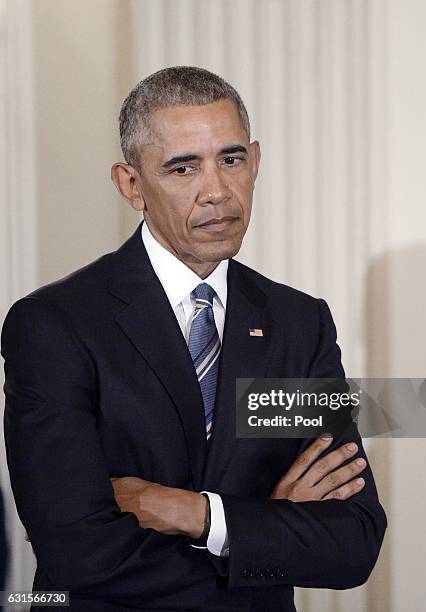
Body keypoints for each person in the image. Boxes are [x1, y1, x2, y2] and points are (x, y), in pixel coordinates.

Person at [2, 66, 386, 612]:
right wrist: (266, 529)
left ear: (255, 162)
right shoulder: (54, 324)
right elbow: (75, 551)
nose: (216, 192)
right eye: (183, 168)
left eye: (231, 160)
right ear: (131, 185)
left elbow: (352, 543)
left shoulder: (299, 323)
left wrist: (198, 515)